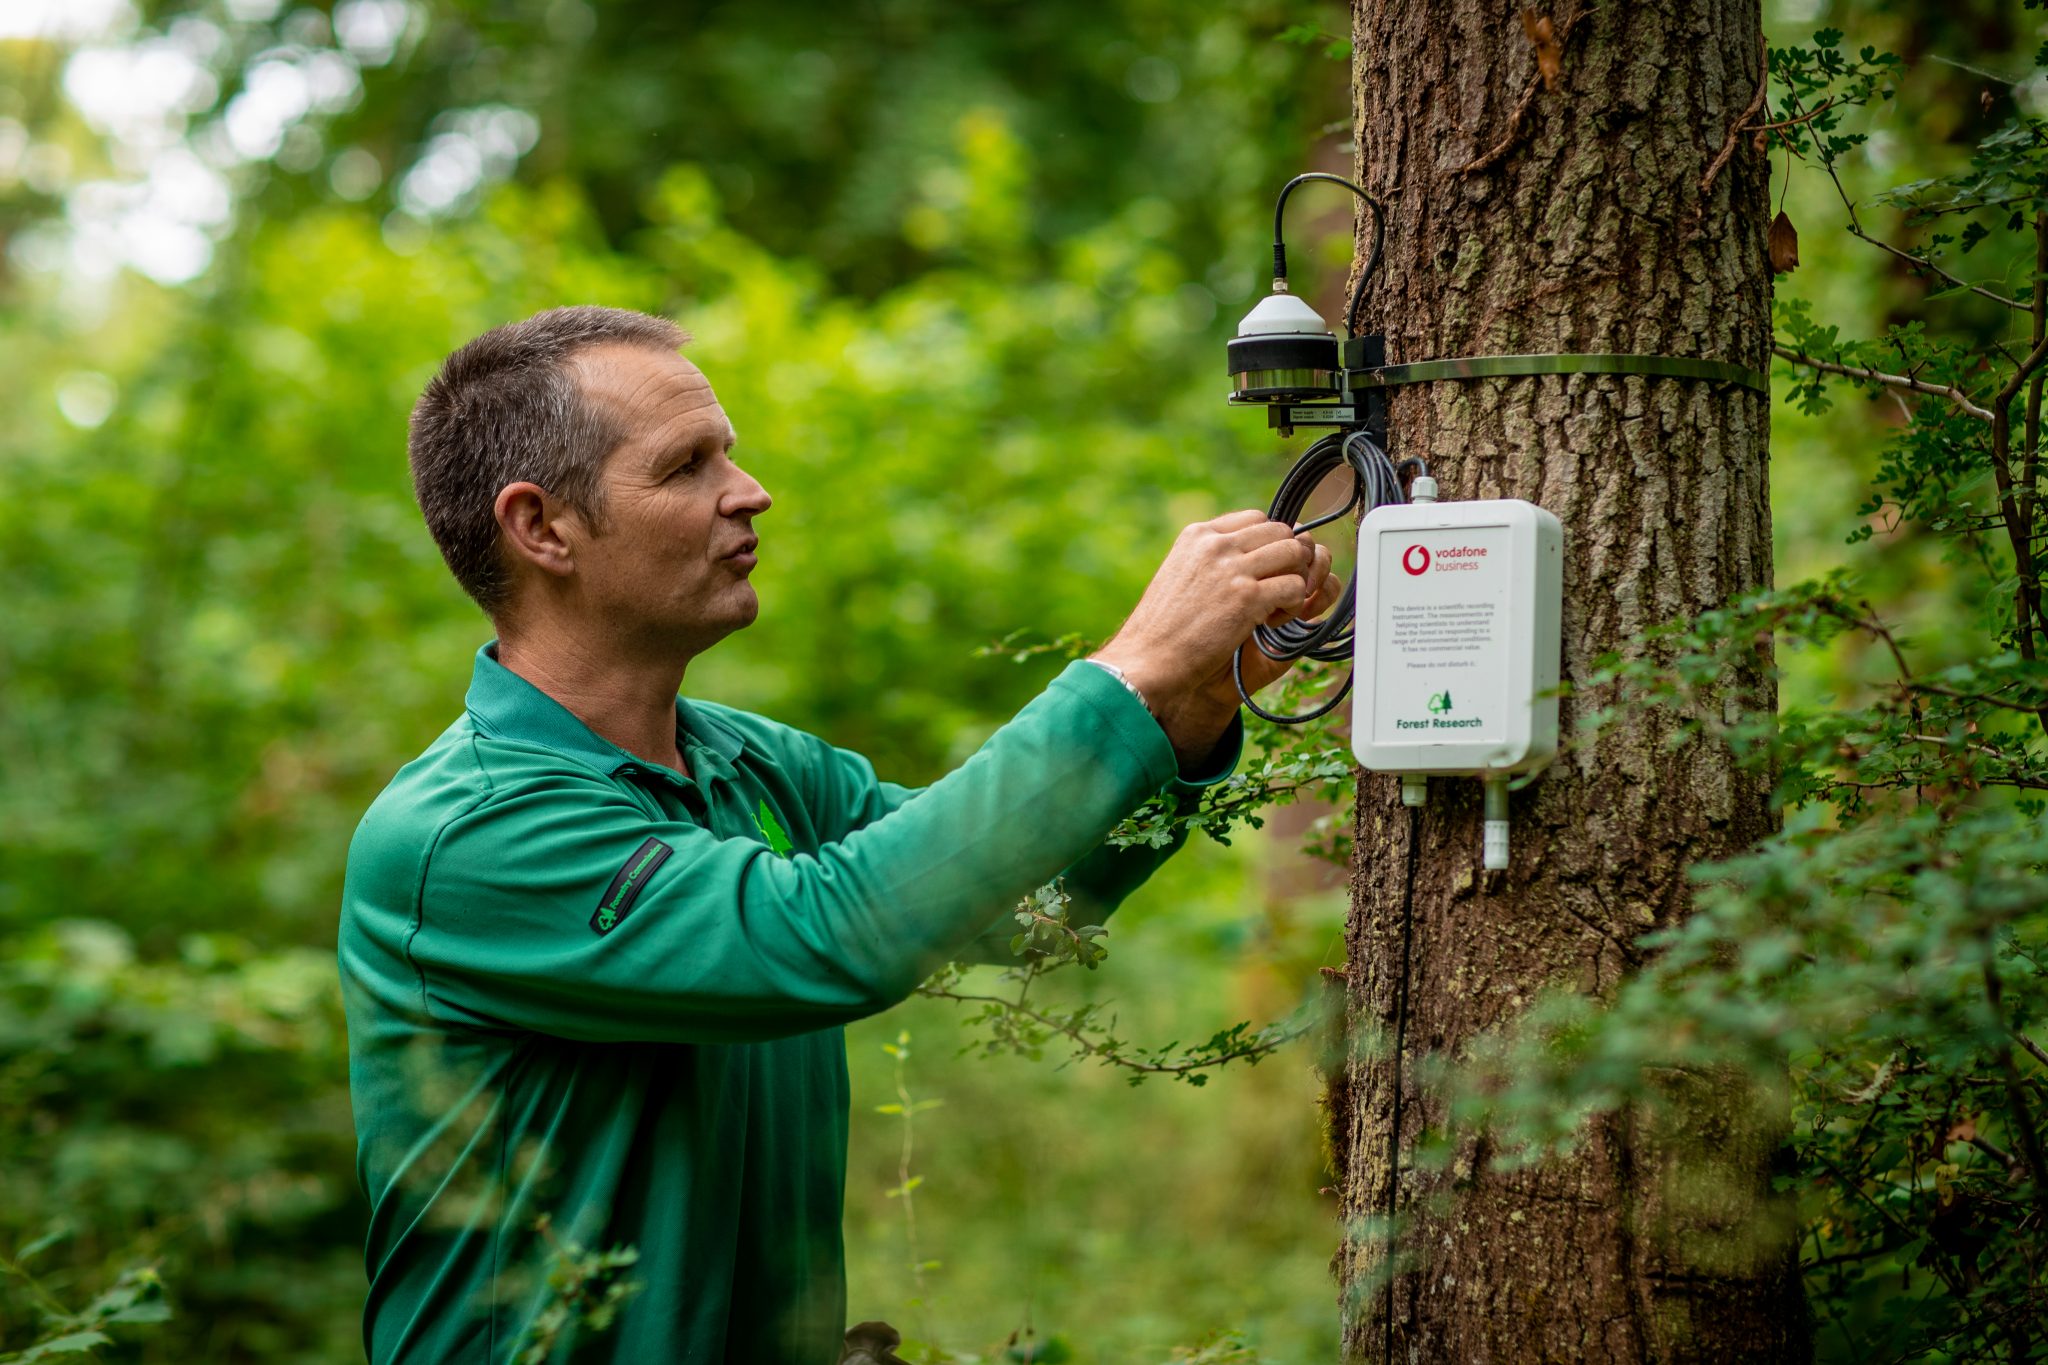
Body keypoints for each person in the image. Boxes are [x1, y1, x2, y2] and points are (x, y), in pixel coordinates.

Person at [338, 305, 1337, 1364]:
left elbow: (1021, 916)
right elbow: (824, 936)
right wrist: (1123, 676)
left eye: (727, 451)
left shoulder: (754, 764)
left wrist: (1180, 712)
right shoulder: (467, 831)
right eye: (685, 466)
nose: (748, 489)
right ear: (542, 529)